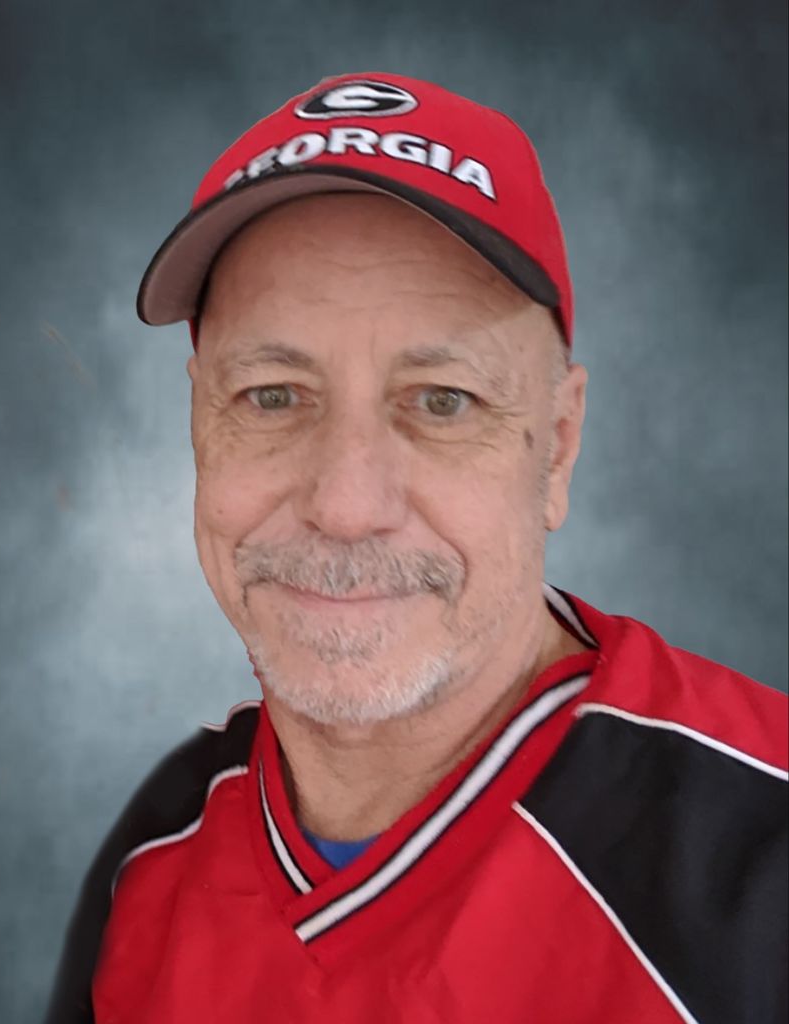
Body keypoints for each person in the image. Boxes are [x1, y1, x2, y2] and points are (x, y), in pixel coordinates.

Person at [43, 73, 788, 1024]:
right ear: (199, 422)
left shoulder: (762, 868)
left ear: (557, 448)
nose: (346, 505)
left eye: (442, 402)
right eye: (273, 396)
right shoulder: (154, 859)